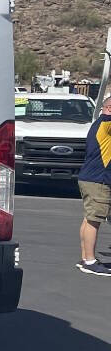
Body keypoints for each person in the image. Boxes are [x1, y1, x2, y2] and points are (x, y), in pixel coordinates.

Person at [76, 92, 111, 274]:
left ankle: (86, 258)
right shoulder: (106, 123)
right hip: (98, 180)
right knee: (94, 221)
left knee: (89, 219)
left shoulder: (99, 124)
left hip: (90, 178)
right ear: (108, 109)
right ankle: (90, 262)